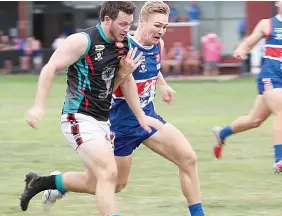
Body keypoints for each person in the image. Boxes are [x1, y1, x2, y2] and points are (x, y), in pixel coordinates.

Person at [41, 1, 205, 216]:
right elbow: (108, 88)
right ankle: (55, 183)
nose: (161, 31)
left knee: (188, 158)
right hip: (121, 125)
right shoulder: (122, 48)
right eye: (157, 26)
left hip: (148, 117)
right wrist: (124, 73)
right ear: (142, 23)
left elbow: (152, 66)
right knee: (112, 184)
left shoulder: (159, 45)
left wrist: (163, 84)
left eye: (164, 26)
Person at [20, 2, 163, 216]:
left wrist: (141, 115)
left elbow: (124, 82)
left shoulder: (123, 44)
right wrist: (38, 107)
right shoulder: (82, 41)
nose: (127, 30)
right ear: (107, 19)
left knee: (102, 182)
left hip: (103, 121)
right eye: (123, 24)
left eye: (129, 24)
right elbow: (50, 68)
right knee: (108, 171)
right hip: (78, 117)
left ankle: (41, 182)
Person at [212, 1, 282, 173]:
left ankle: (222, 133)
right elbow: (250, 41)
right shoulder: (267, 24)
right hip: (269, 78)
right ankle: (279, 160)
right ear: (277, 3)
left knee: (254, 120)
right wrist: (242, 49)